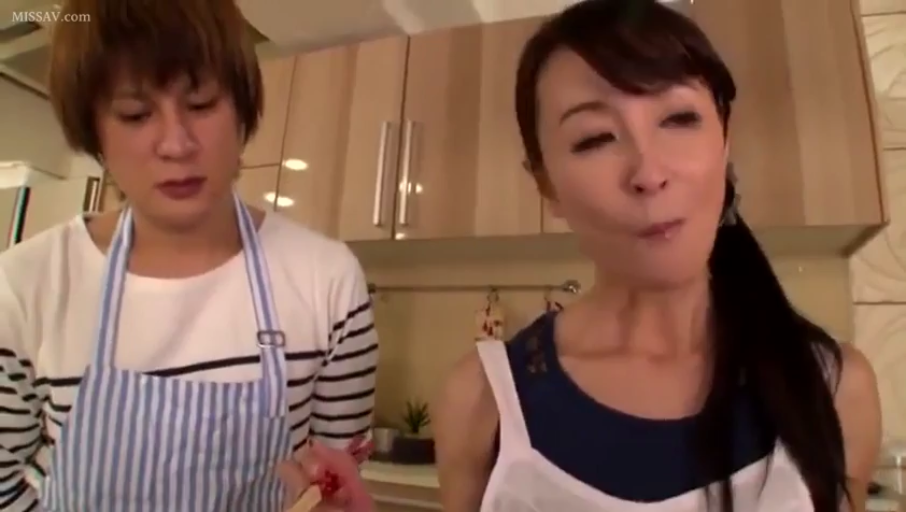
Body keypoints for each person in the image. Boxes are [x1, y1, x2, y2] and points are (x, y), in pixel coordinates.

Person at [433, 1, 882, 511]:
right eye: (594, 138)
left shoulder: (834, 389)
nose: (648, 173)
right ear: (546, 184)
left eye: (679, 117)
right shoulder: (484, 400)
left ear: (725, 139)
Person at [0, 0, 377, 510]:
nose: (176, 144)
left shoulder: (328, 283)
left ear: (242, 110)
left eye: (200, 104)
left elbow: (332, 483)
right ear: (94, 132)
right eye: (135, 114)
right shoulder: (23, 288)